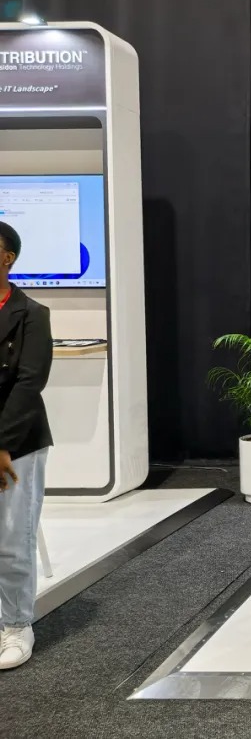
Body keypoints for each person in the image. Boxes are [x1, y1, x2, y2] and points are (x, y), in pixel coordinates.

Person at [0, 222, 53, 671]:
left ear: (7, 258)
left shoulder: (32, 314)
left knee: (12, 540)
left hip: (16, 440)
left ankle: (16, 625)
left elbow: (30, 382)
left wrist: (2, 445)